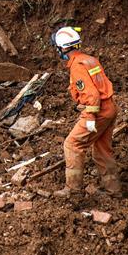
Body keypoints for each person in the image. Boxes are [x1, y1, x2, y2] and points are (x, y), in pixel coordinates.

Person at [50, 26, 121, 196]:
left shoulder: (77, 66)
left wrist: (89, 117)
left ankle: (73, 190)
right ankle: (113, 189)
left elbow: (92, 94)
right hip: (110, 107)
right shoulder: (89, 59)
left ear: (63, 48)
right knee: (102, 149)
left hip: (98, 111)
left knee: (72, 145)